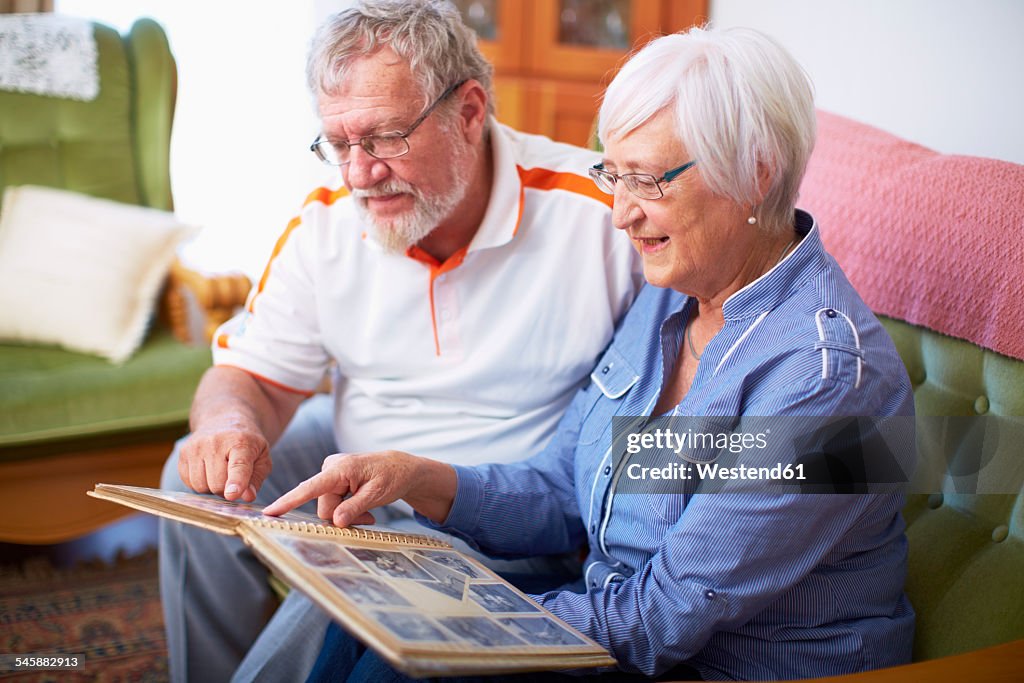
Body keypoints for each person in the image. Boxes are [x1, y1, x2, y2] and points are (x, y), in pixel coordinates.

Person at [268, 25, 917, 682]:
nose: (621, 214)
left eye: (647, 181)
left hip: (717, 665)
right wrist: (415, 477)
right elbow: (562, 490)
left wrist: (466, 615)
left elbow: (666, 612)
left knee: (400, 655)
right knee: (356, 623)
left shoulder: (825, 381)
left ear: (755, 174)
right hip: (623, 633)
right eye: (614, 175)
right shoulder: (674, 298)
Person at [157, 1, 642, 681]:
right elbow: (255, 377)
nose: (358, 172)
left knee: (349, 572)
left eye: (385, 138)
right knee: (193, 475)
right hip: (356, 455)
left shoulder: (599, 217)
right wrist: (230, 422)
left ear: (470, 112)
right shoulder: (327, 223)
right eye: (339, 142)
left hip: (496, 498)